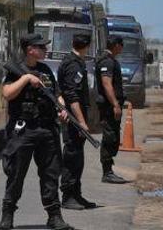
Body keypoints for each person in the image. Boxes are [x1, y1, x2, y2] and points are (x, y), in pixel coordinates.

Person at [0, 33, 73, 230]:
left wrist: (62, 109)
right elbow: (7, 93)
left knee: (50, 174)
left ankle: (54, 216)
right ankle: (7, 215)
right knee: (16, 174)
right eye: (41, 47)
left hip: (47, 129)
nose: (45, 50)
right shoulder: (16, 70)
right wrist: (26, 79)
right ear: (30, 49)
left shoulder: (46, 70)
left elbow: (57, 95)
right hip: (24, 130)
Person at [57, 33, 97, 210]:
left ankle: (76, 194)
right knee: (72, 156)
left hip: (76, 116)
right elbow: (72, 97)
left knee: (78, 158)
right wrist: (81, 121)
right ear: (86, 46)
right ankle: (67, 196)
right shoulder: (73, 65)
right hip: (73, 118)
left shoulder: (75, 61)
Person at [95, 36, 128, 184]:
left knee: (113, 136)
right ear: (115, 45)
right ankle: (107, 172)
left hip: (112, 105)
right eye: (121, 45)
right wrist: (115, 104)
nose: (122, 48)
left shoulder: (111, 60)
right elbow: (106, 83)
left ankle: (109, 170)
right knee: (109, 137)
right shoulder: (107, 61)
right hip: (108, 107)